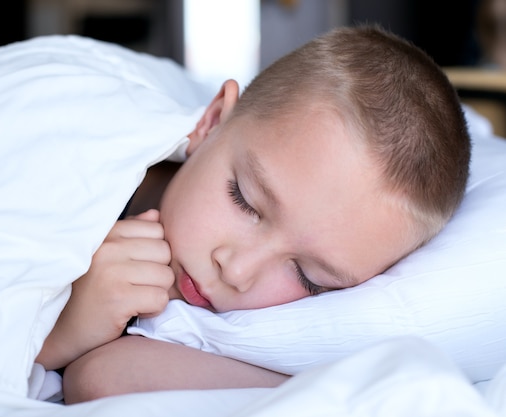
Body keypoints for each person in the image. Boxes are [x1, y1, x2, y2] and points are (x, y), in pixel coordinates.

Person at [36, 24, 471, 403]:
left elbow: (106, 379)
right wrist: (56, 333)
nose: (237, 271)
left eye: (309, 278)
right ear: (211, 122)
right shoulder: (70, 180)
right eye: (244, 200)